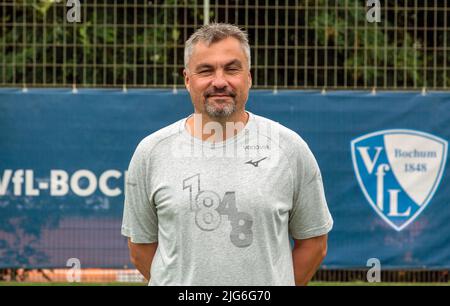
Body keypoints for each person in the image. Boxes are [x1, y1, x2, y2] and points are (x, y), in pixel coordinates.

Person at [121, 23, 333, 286]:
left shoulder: (289, 148)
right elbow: (141, 248)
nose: (219, 82)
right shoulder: (151, 152)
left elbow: (313, 244)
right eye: (206, 70)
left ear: (249, 77)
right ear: (188, 79)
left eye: (232, 69)